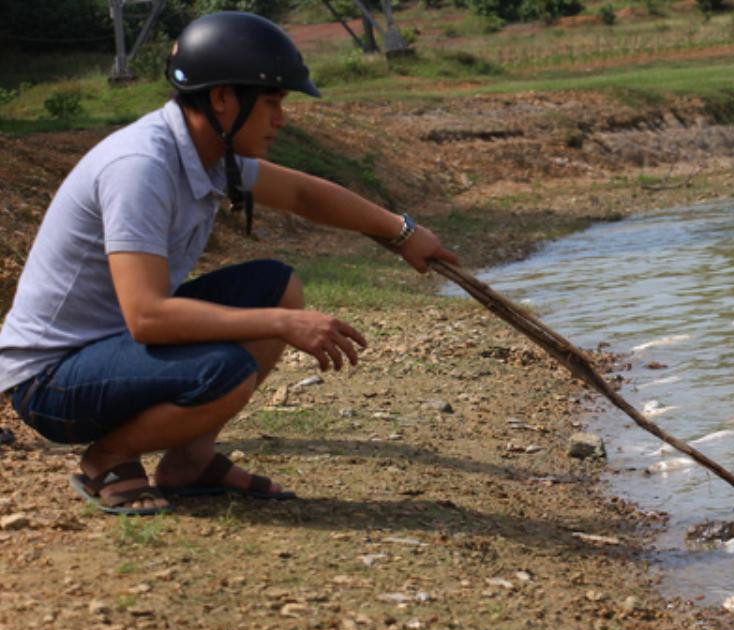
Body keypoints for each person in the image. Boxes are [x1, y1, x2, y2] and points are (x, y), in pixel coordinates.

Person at [0, 11, 458, 515]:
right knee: (227, 370)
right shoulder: (141, 168)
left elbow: (303, 193)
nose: (281, 119)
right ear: (221, 99)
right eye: (271, 103)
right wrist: (283, 324)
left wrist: (402, 232)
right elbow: (147, 316)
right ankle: (108, 459)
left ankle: (190, 463)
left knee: (275, 284)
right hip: (52, 380)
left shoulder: (205, 151)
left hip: (113, 351)